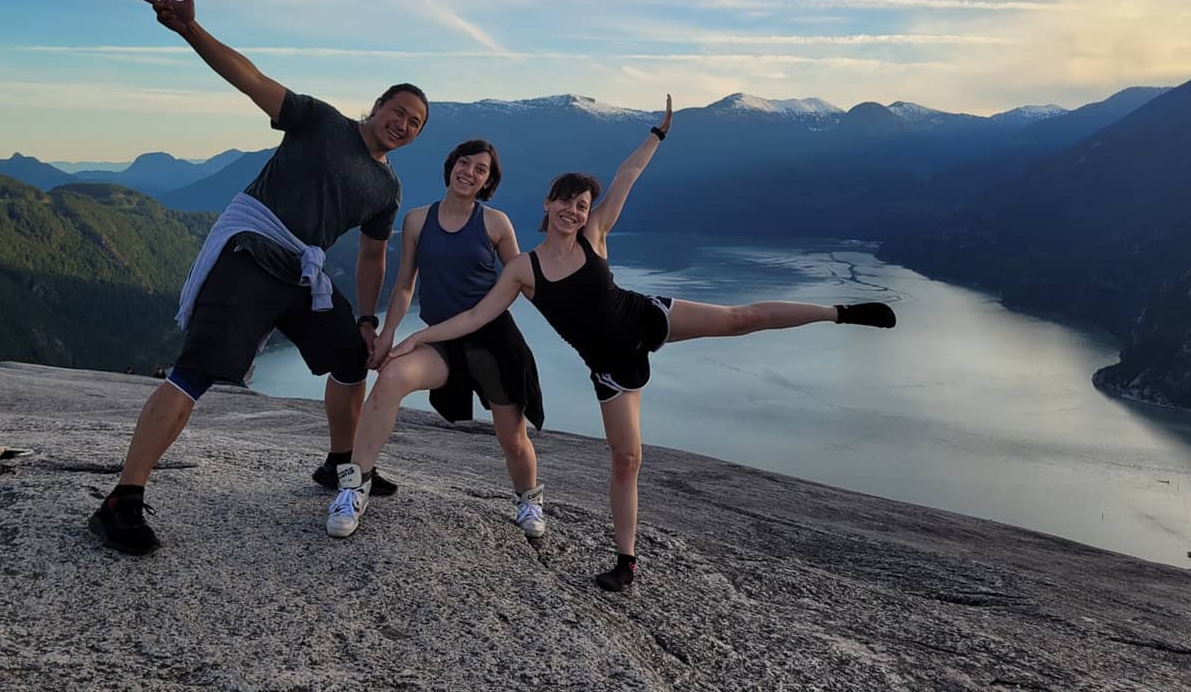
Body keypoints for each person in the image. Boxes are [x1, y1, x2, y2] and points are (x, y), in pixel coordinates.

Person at [331, 96, 897, 590]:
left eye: (582, 204)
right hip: (609, 366)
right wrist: (413, 336)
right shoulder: (522, 268)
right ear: (548, 205)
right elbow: (476, 310)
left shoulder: (594, 234)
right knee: (627, 459)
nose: (575, 210)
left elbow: (626, 177)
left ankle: (840, 311)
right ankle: (625, 562)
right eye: (566, 201)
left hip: (646, 318)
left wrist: (655, 135)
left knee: (741, 317)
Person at [88, 0, 427, 555]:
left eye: (415, 123)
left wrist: (367, 319)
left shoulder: (386, 186)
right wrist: (191, 29)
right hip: (252, 253)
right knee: (194, 372)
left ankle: (340, 464)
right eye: (398, 111)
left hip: (303, 274)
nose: (403, 124)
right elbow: (251, 81)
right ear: (377, 106)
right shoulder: (320, 121)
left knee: (350, 356)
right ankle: (122, 498)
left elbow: (374, 253)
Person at [326, 139, 547, 541]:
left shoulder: (496, 223)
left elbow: (520, 280)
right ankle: (354, 487)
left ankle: (529, 498)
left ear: (487, 182)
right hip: (443, 342)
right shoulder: (416, 220)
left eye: (481, 170)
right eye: (465, 163)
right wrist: (389, 331)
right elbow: (405, 284)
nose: (470, 172)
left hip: (495, 343)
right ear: (451, 167)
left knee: (512, 436)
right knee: (390, 377)